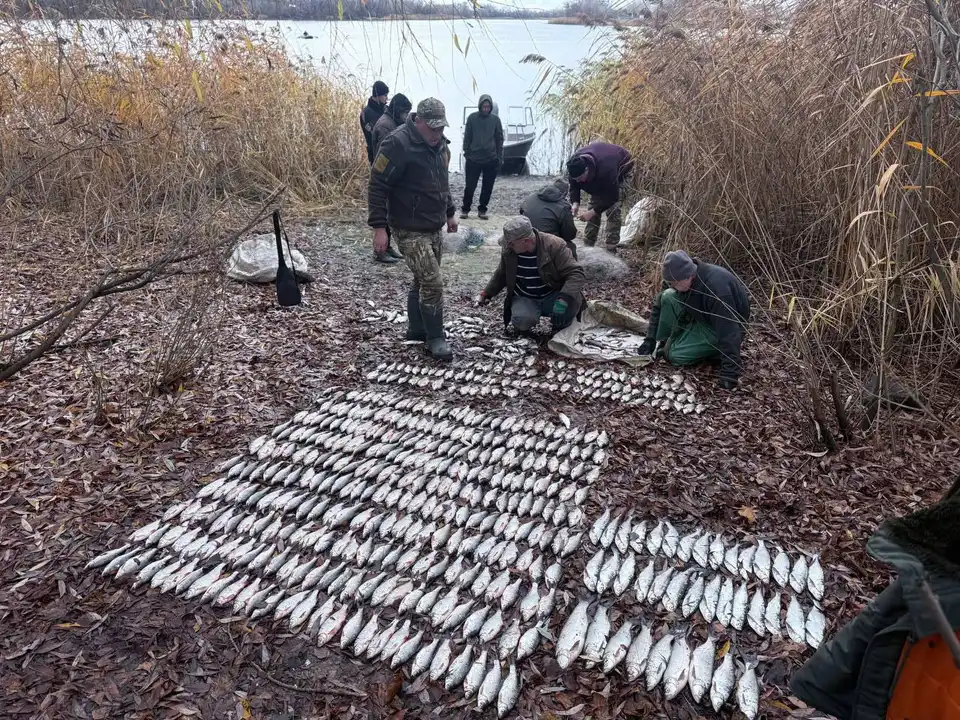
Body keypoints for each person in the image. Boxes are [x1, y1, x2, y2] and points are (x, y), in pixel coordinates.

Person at [368, 98, 458, 361]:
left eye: (441, 128)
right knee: (433, 282)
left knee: (422, 279)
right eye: (432, 128)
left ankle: (417, 330)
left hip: (433, 224)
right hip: (408, 226)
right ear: (417, 120)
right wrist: (379, 227)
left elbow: (442, 182)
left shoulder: (440, 145)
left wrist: (450, 212)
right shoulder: (397, 144)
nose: (437, 134)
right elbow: (377, 186)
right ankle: (435, 337)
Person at [637, 250, 751, 389]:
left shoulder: (716, 290)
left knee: (674, 355)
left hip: (720, 326)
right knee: (667, 296)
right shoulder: (677, 275)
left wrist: (730, 373)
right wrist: (650, 339)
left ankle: (714, 352)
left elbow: (729, 331)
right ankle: (669, 340)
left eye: (674, 283)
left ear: (688, 277)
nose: (671, 286)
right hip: (701, 313)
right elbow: (659, 304)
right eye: (669, 282)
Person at [477, 216, 585, 334]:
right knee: (521, 322)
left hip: (553, 294)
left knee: (567, 309)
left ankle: (560, 327)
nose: (508, 245)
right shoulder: (509, 250)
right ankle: (530, 318)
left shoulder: (554, 245)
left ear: (526, 241)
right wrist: (486, 293)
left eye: (512, 243)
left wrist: (563, 301)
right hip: (525, 296)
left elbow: (576, 273)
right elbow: (502, 273)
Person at [369, 93, 413, 264]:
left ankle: (387, 248)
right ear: (398, 110)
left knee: (388, 212)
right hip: (386, 175)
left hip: (391, 175)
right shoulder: (385, 126)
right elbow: (384, 154)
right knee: (383, 212)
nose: (406, 116)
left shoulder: (392, 122)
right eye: (405, 112)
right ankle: (380, 251)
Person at [566, 141, 633, 252]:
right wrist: (575, 203)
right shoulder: (574, 165)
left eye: (580, 178)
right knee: (594, 206)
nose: (579, 181)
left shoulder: (607, 169)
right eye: (576, 179)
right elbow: (574, 186)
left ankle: (611, 248)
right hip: (599, 171)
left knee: (613, 209)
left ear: (587, 169)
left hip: (622, 168)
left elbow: (612, 197)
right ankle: (588, 245)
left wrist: (592, 212)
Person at [460, 94, 504, 220]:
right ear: (480, 106)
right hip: (474, 159)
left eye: (488, 107)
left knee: (487, 187)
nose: (486, 109)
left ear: (491, 107)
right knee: (470, 186)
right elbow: (467, 137)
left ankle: (482, 209)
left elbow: (499, 139)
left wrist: (499, 157)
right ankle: (465, 209)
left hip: (491, 159)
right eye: (484, 106)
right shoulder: (472, 118)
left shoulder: (495, 120)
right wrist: (467, 152)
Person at [520, 177, 579, 258]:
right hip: (546, 245)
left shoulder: (530, 197)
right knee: (571, 247)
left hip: (524, 240)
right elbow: (569, 235)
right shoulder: (564, 206)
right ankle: (571, 270)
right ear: (565, 193)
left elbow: (521, 212)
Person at [360, 80, 389, 164]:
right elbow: (372, 135)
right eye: (385, 95)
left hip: (391, 152)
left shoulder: (387, 109)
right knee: (378, 176)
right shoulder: (365, 113)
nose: (387, 98)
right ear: (377, 95)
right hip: (376, 155)